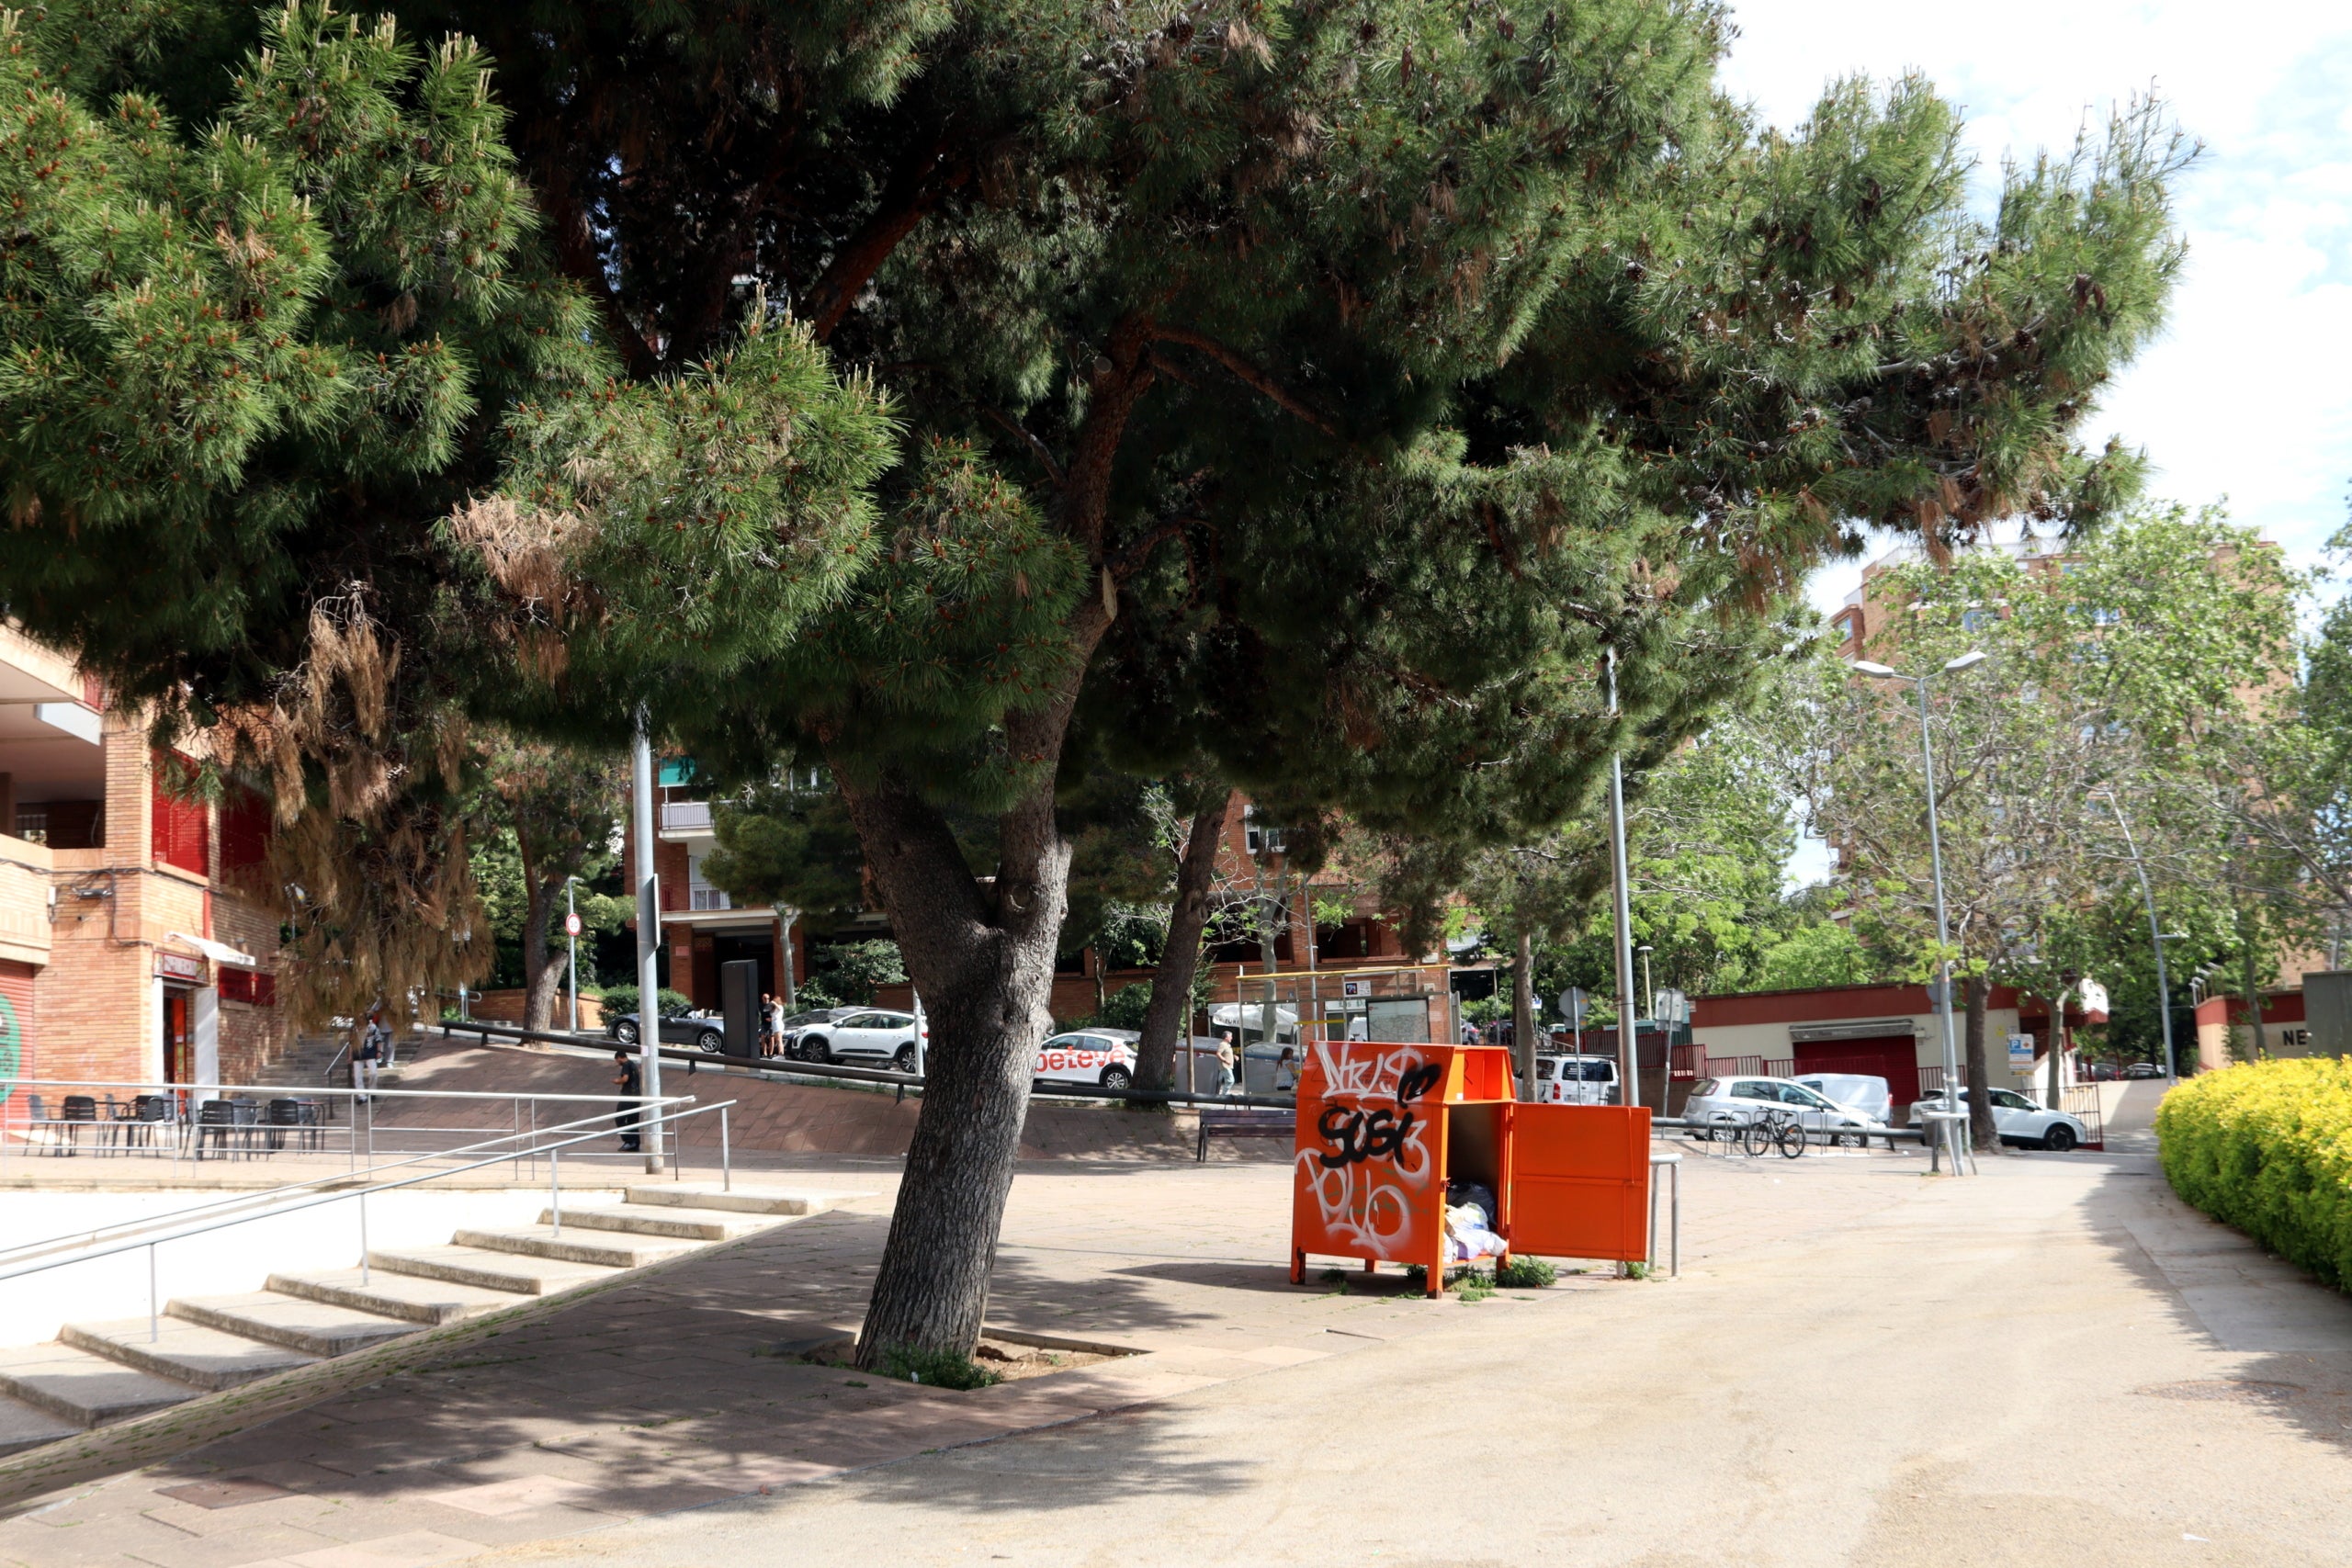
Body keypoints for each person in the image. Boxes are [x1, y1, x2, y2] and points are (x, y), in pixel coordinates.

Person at [613, 1048, 643, 1153]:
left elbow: (625, 1079)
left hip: (628, 1096)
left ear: (620, 1058)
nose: (617, 1063)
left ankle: (628, 1141)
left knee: (619, 1118)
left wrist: (617, 1081)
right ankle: (635, 1143)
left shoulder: (626, 1065)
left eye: (617, 1061)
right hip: (637, 1096)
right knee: (633, 1120)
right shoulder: (633, 1065)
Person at [352, 1021, 381, 1100]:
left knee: (373, 1073)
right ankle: (361, 1095)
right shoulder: (354, 1028)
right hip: (357, 1053)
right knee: (357, 1076)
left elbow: (378, 1039)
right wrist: (349, 1055)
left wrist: (379, 1051)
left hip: (370, 1052)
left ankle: (372, 1091)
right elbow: (351, 1043)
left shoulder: (372, 1027)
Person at [1215, 1032, 1238, 1098]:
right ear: (1226, 1038)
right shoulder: (1222, 1044)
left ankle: (1224, 1093)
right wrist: (1225, 1061)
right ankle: (1224, 1095)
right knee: (1231, 1080)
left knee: (1225, 1080)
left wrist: (1234, 1056)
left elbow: (1227, 1053)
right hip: (1225, 1066)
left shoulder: (1228, 1045)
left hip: (1228, 1066)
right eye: (1230, 1036)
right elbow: (1218, 1054)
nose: (1232, 1038)